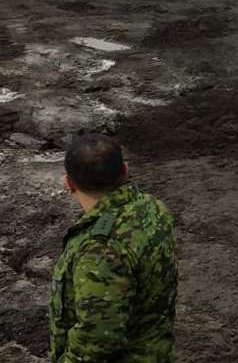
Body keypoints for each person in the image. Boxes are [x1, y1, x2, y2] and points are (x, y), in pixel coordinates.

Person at [50, 134, 178, 362]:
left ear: (68, 183)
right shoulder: (152, 207)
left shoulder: (100, 251)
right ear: (125, 170)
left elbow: (97, 342)